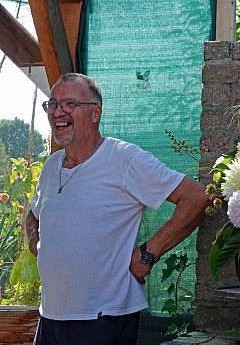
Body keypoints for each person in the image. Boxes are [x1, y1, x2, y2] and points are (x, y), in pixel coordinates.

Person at [25, 73, 209, 345]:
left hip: (103, 318)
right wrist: (36, 242)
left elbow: (196, 197)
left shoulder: (123, 158)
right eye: (52, 104)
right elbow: (33, 213)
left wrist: (146, 255)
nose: (57, 112)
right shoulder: (52, 166)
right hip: (51, 316)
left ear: (96, 113)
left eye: (69, 104)